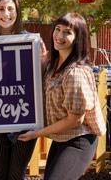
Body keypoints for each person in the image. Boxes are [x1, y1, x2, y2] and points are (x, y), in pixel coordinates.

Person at [18, 12, 106, 180]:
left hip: (79, 140)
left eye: (67, 32)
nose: (59, 35)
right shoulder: (54, 65)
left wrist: (37, 133)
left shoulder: (75, 73)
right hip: (61, 140)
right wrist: (43, 61)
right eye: (57, 29)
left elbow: (74, 120)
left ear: (78, 38)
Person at [0, 0, 37, 180]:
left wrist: (43, 60)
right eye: (1, 9)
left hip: (23, 116)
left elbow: (40, 75)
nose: (6, 14)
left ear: (18, 12)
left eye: (10, 9)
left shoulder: (31, 41)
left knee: (15, 175)